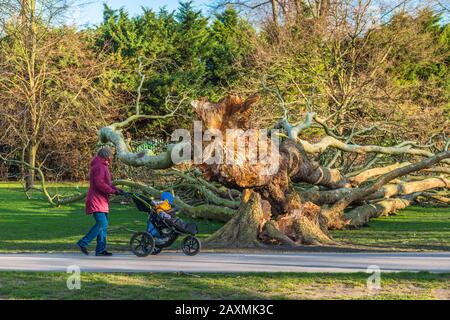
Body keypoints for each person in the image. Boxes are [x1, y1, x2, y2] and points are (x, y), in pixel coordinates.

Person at [77, 147, 121, 256]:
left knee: (103, 225)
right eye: (110, 156)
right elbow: (100, 184)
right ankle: (83, 242)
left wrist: (117, 190)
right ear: (106, 156)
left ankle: (100, 250)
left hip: (101, 200)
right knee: (102, 223)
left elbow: (106, 183)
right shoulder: (99, 167)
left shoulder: (102, 166)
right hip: (96, 200)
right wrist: (112, 191)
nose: (111, 158)